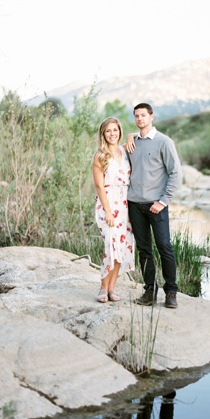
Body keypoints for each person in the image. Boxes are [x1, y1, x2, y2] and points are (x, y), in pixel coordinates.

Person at [125, 102, 183, 309]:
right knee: (144, 250)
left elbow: (176, 173)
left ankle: (171, 292)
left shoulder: (164, 142)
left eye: (143, 115)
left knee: (164, 247)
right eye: (136, 116)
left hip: (156, 205)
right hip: (135, 204)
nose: (140, 119)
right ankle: (150, 291)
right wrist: (130, 136)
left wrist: (163, 201)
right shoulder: (132, 143)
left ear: (152, 117)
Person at [92, 117, 136, 303]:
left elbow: (137, 135)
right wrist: (108, 211)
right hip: (107, 204)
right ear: (103, 134)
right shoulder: (99, 155)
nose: (112, 134)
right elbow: (99, 186)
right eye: (108, 131)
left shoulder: (124, 151)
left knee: (122, 247)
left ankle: (112, 289)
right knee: (110, 246)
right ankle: (103, 287)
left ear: (119, 132)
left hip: (125, 203)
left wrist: (131, 136)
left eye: (115, 130)